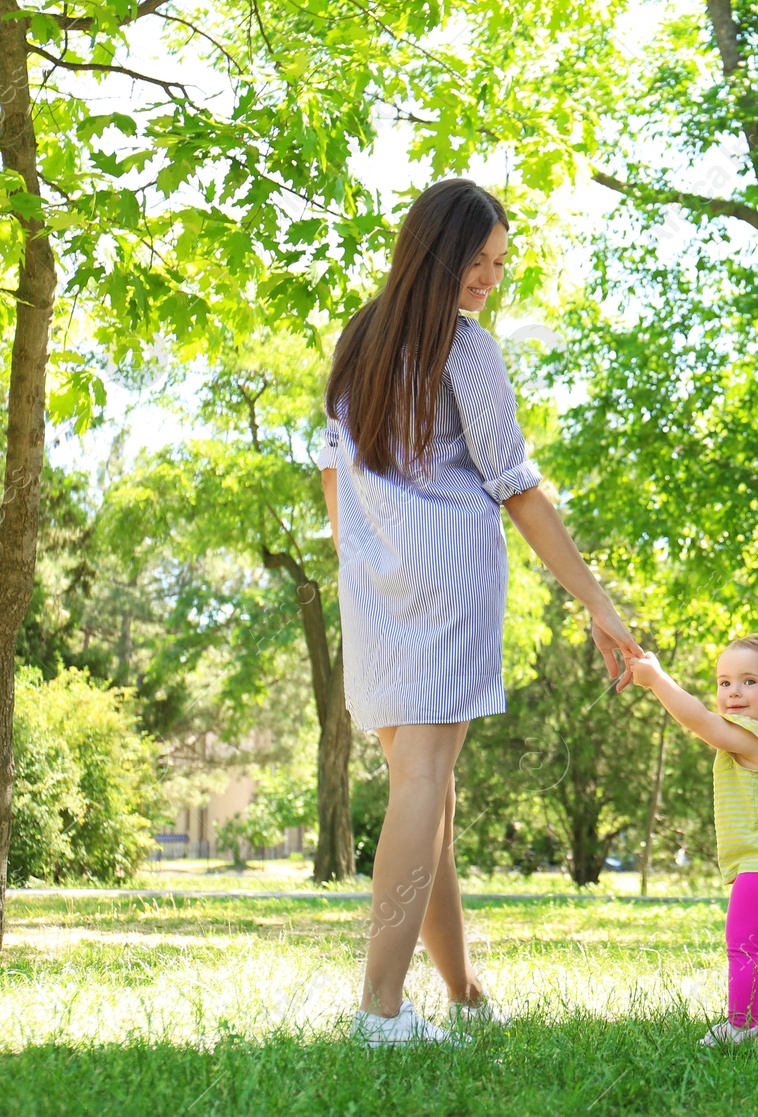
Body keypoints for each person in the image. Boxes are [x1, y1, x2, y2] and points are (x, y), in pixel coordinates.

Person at [319, 178, 641, 1047]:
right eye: (479, 261)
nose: (490, 278)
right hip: (451, 581)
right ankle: (380, 1010)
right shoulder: (467, 350)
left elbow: (331, 467)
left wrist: (364, 559)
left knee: (428, 795)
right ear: (438, 252)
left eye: (500, 263)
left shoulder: (358, 338)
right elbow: (517, 489)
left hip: (377, 584)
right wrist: (599, 603)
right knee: (424, 785)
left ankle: (463, 993)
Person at [625, 634, 758, 1047]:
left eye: (748, 682)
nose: (733, 691)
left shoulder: (750, 740)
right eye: (724, 682)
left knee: (743, 947)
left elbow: (699, 720)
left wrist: (657, 679)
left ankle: (741, 1027)